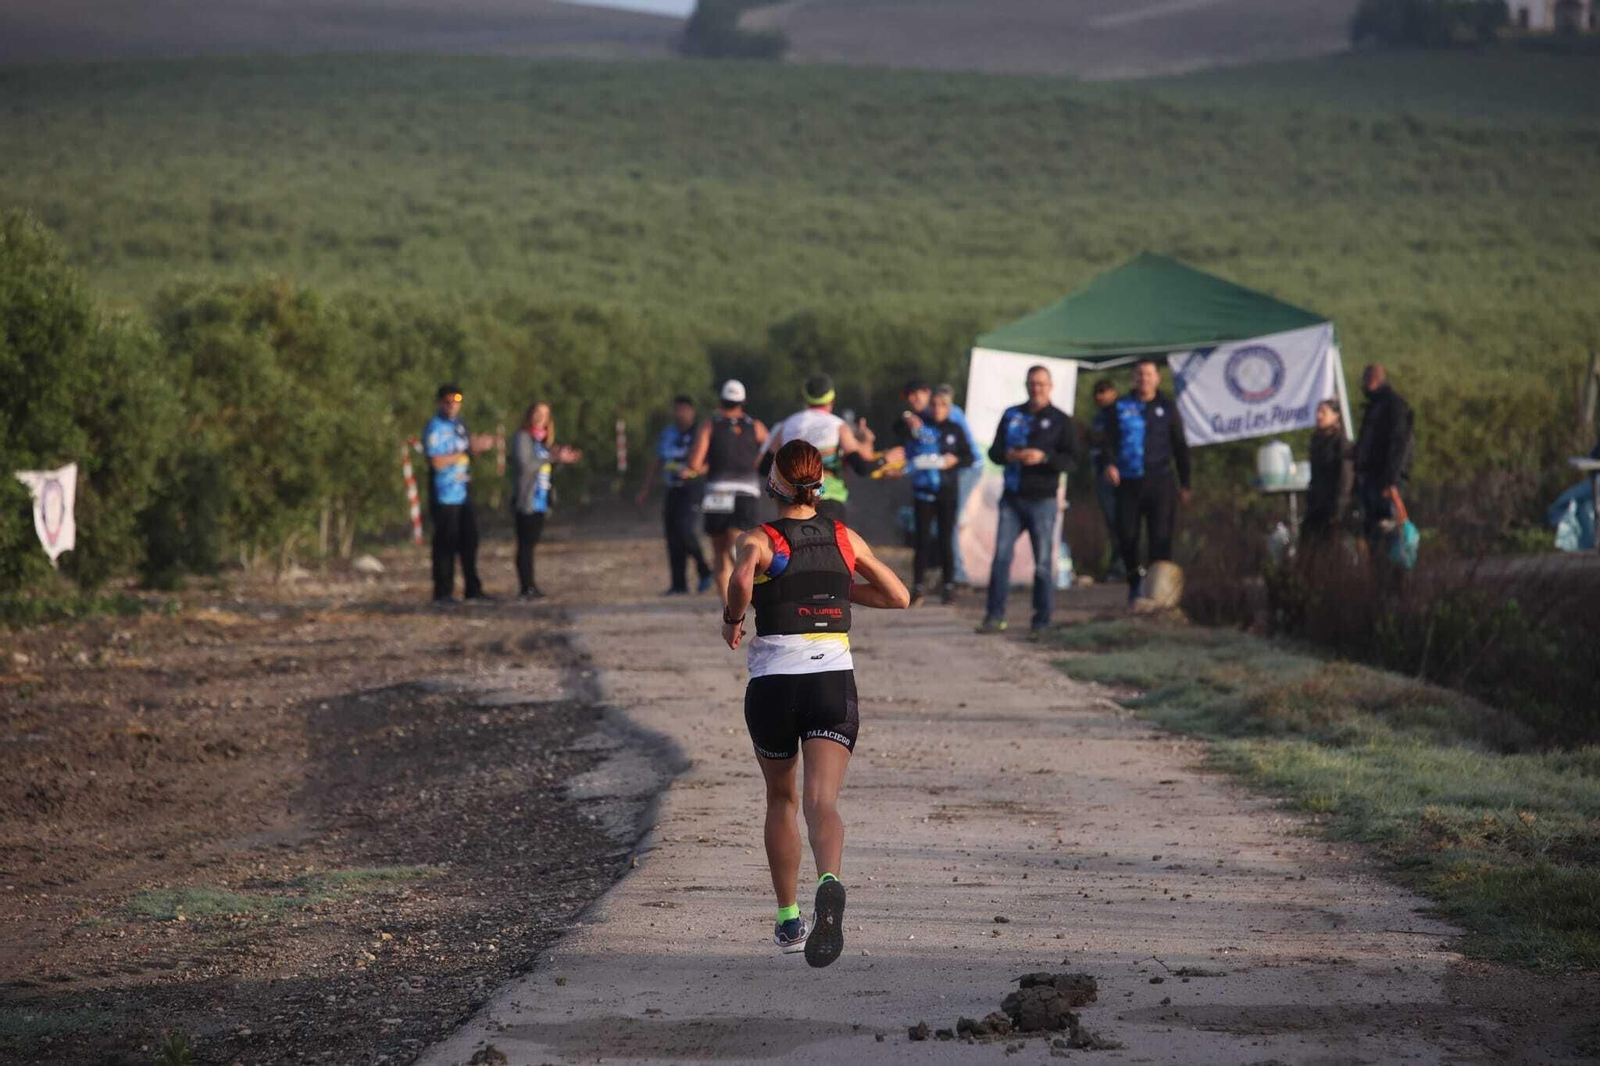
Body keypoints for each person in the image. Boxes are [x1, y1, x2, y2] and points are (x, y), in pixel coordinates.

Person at [721, 439, 910, 967]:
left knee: (780, 799)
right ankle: (830, 879)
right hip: (831, 681)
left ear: (774, 484)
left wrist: (734, 619)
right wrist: (839, 591)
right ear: (819, 483)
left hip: (774, 684)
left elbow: (741, 580)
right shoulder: (845, 536)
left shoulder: (759, 539)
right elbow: (899, 595)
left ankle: (788, 919)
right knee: (822, 802)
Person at [976, 366, 1076, 638]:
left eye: (1042, 384)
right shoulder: (1011, 415)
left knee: (1043, 563)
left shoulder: (1061, 421)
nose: (1037, 388)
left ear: (1050, 386)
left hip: (1043, 500)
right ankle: (994, 617)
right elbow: (994, 453)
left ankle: (1041, 621)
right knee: (1001, 558)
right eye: (1032, 383)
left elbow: (1071, 461)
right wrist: (1008, 455)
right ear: (1026, 385)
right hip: (1012, 498)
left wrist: (1043, 457)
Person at [1103, 359, 1192, 605]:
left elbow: (1180, 446)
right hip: (1128, 482)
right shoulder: (1119, 407)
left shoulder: (1167, 407)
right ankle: (1134, 584)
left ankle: (1160, 594)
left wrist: (1186, 484)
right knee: (1127, 536)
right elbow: (1108, 442)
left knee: (1160, 538)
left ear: (1157, 378)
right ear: (1134, 378)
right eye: (1140, 374)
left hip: (1160, 481)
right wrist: (1109, 464)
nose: (1144, 379)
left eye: (1149, 374)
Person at [761, 374, 901, 525]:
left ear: (806, 398)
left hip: (792, 502)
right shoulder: (837, 426)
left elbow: (764, 467)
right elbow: (862, 468)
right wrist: (885, 459)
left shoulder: (787, 425)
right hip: (828, 496)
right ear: (832, 400)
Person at [687, 380, 768, 603]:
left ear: (721, 400)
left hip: (717, 493)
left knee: (719, 553)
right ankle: (745, 593)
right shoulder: (757, 426)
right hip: (746, 493)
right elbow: (771, 453)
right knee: (742, 546)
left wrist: (704, 466)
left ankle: (727, 607)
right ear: (743, 401)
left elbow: (694, 463)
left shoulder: (710, 425)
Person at [895, 389, 974, 605]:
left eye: (942, 405)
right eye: (934, 404)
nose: (937, 409)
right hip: (923, 491)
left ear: (949, 408)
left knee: (946, 538)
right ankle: (918, 586)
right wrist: (906, 420)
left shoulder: (955, 429)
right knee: (921, 539)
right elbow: (901, 435)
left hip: (947, 492)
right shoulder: (920, 424)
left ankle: (949, 585)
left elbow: (969, 457)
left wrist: (954, 460)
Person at [424, 383, 497, 606]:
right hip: (444, 494)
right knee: (445, 543)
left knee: (470, 540)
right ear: (439, 403)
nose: (452, 406)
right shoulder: (434, 427)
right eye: (448, 401)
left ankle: (472, 590)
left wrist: (478, 446)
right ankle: (442, 593)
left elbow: (466, 450)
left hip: (463, 492)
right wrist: (463, 451)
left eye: (456, 402)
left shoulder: (460, 425)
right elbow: (436, 461)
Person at [636, 394, 714, 596]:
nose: (679, 414)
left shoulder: (700, 432)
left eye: (683, 409)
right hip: (672, 488)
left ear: (691, 411)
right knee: (672, 535)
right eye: (676, 409)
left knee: (685, 530)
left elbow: (712, 461)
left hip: (692, 488)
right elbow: (657, 461)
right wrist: (646, 488)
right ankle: (678, 583)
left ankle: (704, 570)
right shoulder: (668, 434)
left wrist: (695, 472)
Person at [509, 402, 581, 600]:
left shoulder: (542, 442)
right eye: (537, 413)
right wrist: (551, 457)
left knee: (532, 543)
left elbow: (545, 468)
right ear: (529, 415)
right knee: (525, 544)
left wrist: (560, 459)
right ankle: (526, 587)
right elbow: (526, 466)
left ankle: (531, 585)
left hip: (541, 499)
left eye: (545, 414)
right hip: (527, 499)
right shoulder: (523, 438)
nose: (541, 417)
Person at [1353, 363, 1414, 549]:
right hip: (1373, 480)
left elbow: (1398, 446)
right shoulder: (1375, 405)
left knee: (1388, 533)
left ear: (1371, 381)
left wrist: (1391, 481)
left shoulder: (1392, 405)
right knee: (1374, 533)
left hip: (1385, 482)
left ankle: (1390, 574)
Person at [931, 384, 985, 587]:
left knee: (949, 519)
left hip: (967, 468)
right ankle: (950, 571)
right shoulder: (946, 412)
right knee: (945, 519)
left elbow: (965, 454)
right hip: (959, 468)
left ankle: (957, 574)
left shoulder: (951, 415)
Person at [1085, 379, 1127, 581]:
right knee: (1112, 522)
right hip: (1100, 474)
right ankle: (1117, 564)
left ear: (1113, 392)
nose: (1100, 396)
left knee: (1119, 521)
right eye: (1096, 392)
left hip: (1115, 475)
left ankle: (1121, 566)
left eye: (1103, 391)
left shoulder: (1119, 413)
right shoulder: (1098, 416)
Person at [1301, 399, 1353, 547]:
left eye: (1323, 412)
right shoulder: (1316, 441)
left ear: (1336, 415)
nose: (1319, 416)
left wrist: (1338, 510)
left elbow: (1345, 479)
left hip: (1334, 509)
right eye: (1318, 412)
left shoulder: (1341, 443)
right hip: (1316, 506)